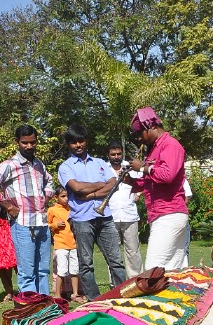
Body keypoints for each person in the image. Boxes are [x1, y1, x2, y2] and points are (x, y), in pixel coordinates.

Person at [0, 125, 55, 295]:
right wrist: (7, 205)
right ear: (17, 142)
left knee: (43, 270)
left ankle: (44, 307)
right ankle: (30, 309)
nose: (29, 146)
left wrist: (47, 196)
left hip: (41, 223)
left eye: (33, 142)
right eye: (25, 143)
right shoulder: (9, 165)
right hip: (22, 224)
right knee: (27, 272)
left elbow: (49, 182)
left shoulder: (39, 164)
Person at [57, 123, 126, 300]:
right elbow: (77, 188)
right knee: (86, 264)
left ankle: (122, 297)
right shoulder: (66, 167)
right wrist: (100, 186)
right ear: (69, 145)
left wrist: (91, 194)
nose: (78, 145)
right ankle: (95, 300)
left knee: (116, 262)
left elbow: (114, 185)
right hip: (81, 219)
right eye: (74, 142)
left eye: (81, 141)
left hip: (105, 217)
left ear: (86, 141)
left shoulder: (100, 163)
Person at [128, 107, 190, 271]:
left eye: (140, 133)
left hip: (169, 214)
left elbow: (167, 175)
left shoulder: (171, 145)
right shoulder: (154, 148)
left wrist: (143, 167)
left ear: (151, 126)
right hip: (162, 215)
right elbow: (151, 181)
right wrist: (130, 181)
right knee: (170, 270)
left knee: (153, 269)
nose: (139, 138)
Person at [106, 141, 142, 277]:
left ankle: (136, 279)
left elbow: (142, 182)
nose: (116, 156)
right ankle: (115, 281)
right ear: (108, 155)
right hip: (111, 215)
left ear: (122, 153)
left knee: (133, 250)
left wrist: (138, 194)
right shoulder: (103, 168)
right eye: (113, 154)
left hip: (129, 214)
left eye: (119, 154)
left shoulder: (131, 167)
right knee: (113, 252)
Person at [47, 187, 82, 301]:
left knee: (75, 270)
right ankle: (57, 294)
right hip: (61, 244)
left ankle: (75, 294)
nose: (66, 199)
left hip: (73, 244)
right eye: (63, 196)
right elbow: (47, 225)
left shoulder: (71, 208)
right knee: (61, 270)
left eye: (67, 196)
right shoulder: (52, 210)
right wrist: (55, 225)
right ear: (56, 198)